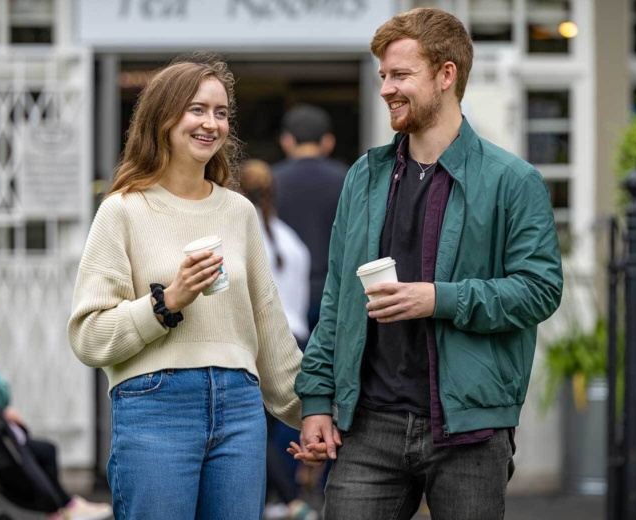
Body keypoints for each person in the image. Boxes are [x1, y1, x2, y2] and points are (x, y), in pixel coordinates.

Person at [290, 8, 564, 520]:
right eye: (383, 77)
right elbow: (337, 300)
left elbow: (540, 289)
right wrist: (317, 401)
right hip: (369, 425)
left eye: (400, 75)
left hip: (468, 429)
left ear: (445, 75)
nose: (387, 88)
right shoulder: (363, 177)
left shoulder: (513, 180)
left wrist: (438, 298)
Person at [68, 53, 303, 520]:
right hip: (155, 405)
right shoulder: (123, 211)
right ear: (163, 117)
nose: (211, 123)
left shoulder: (238, 212)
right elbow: (89, 336)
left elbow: (268, 325)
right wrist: (166, 303)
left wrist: (309, 416)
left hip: (240, 406)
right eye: (197, 109)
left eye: (220, 113)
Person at [0, 297, 112, 520]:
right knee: (46, 452)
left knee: (41, 451)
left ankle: (63, 506)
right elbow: (0, 395)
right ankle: (61, 507)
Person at [239, 159, 316, 520]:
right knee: (277, 426)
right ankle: (281, 500)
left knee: (253, 430)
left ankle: (288, 501)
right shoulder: (287, 237)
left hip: (263, 340)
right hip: (297, 337)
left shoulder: (242, 232)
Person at [273, 104, 348, 334]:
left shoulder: (270, 181)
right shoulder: (348, 179)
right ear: (328, 141)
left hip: (283, 294)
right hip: (334, 292)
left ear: (286, 140)